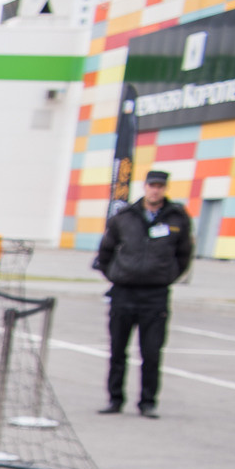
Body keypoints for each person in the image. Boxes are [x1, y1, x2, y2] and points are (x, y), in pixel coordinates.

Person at [95, 168, 193, 418]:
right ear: (145, 187)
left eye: (160, 186)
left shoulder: (177, 218)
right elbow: (105, 252)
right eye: (152, 185)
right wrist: (117, 275)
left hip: (155, 295)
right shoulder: (124, 217)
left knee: (151, 352)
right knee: (118, 350)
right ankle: (115, 399)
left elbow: (184, 255)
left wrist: (167, 276)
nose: (155, 190)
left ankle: (148, 402)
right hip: (124, 292)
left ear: (165, 188)